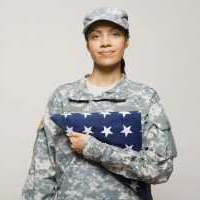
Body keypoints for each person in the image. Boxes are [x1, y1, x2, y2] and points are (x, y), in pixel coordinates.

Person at [22, 7, 177, 200]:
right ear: (87, 44)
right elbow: (41, 173)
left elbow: (160, 169)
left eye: (115, 34)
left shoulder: (145, 98)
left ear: (127, 40)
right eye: (96, 36)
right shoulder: (63, 97)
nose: (105, 43)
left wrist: (95, 149)